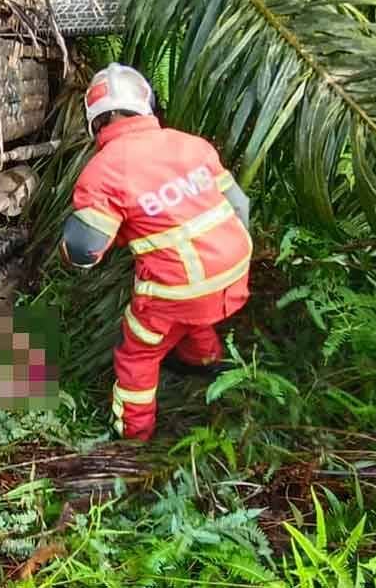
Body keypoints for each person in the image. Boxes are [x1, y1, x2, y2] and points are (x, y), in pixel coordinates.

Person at [59, 63, 253, 441]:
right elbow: (239, 206)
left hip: (178, 290)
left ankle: (135, 435)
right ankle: (204, 363)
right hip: (234, 272)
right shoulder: (191, 144)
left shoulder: (103, 173)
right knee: (193, 311)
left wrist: (69, 254)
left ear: (94, 121)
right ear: (146, 105)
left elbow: (84, 251)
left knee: (137, 354)